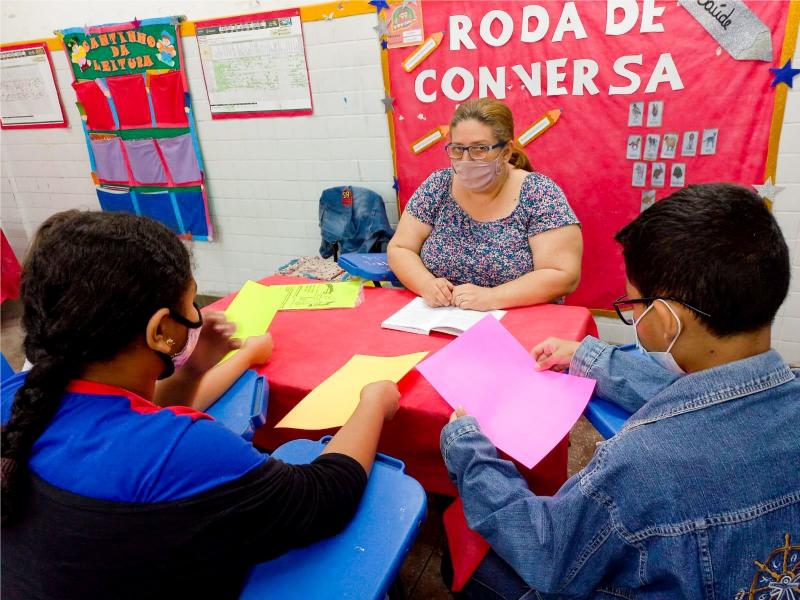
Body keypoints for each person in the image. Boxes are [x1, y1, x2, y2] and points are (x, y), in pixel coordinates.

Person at [1, 210, 400, 600]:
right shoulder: (184, 450)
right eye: (192, 303)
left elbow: (137, 420)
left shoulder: (18, 399)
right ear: (160, 330)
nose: (197, 315)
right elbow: (326, 496)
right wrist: (372, 403)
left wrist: (191, 372)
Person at [440, 184, 799, 597]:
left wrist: (469, 451)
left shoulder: (639, 465)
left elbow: (547, 551)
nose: (632, 313)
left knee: (466, 554)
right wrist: (588, 357)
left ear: (666, 320)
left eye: (632, 304)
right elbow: (705, 397)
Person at [388, 98, 582, 311]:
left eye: (479, 149)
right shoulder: (438, 185)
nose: (466, 159)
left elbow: (562, 275)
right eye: (457, 149)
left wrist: (492, 297)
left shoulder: (539, 193)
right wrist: (425, 284)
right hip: (443, 318)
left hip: (518, 321)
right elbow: (400, 248)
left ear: (506, 151)